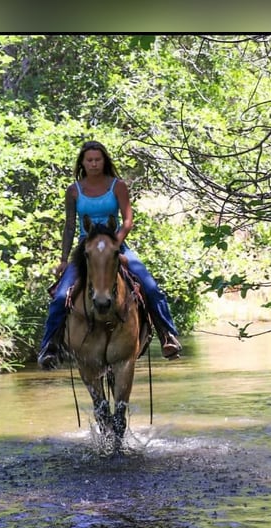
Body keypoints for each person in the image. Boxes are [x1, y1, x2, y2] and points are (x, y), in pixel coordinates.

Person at [38, 140, 182, 369]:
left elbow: (127, 221)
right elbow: (69, 226)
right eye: (89, 160)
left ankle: (168, 336)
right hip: (85, 249)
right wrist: (64, 260)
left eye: (98, 159)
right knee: (60, 296)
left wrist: (114, 244)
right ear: (82, 163)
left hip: (116, 245)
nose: (94, 164)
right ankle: (50, 347)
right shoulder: (74, 191)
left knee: (150, 287)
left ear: (104, 161)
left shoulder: (118, 186)